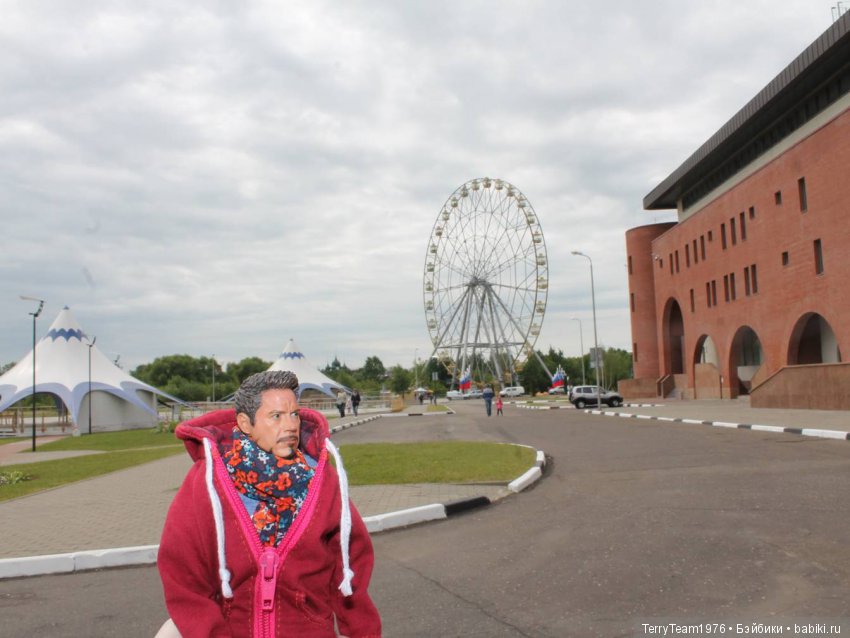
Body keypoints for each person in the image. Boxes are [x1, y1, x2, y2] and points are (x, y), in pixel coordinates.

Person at [157, 370, 381, 638]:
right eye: (276, 416)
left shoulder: (323, 481)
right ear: (245, 423)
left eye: (294, 414)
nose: (291, 425)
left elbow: (351, 562)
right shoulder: (208, 483)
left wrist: (361, 631)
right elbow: (183, 574)